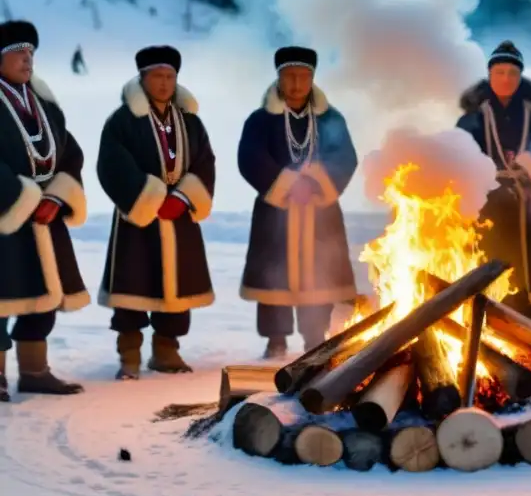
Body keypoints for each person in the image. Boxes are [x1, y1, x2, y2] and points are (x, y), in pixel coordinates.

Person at [96, 45, 216, 379]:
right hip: (139, 218)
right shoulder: (123, 121)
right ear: (143, 78)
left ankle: (166, 352)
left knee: (178, 288)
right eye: (156, 76)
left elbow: (205, 162)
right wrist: (148, 198)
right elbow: (112, 164)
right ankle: (129, 357)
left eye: (170, 76)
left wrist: (183, 197)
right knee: (133, 284)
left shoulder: (190, 122)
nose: (164, 83)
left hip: (179, 217)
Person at [238, 46, 359, 359]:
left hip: (320, 211)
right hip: (275, 209)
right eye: (289, 76)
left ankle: (315, 337)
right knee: (272, 274)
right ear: (279, 77)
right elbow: (250, 157)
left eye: (303, 76)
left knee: (321, 270)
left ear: (312, 78)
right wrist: (287, 185)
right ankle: (275, 339)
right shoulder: (261, 120)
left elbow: (345, 157)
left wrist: (315, 183)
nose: (296, 83)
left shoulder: (330, 119)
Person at [0, 20, 90, 400]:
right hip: (7, 214)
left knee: (43, 296)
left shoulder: (43, 102)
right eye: (19, 52)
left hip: (45, 215)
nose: (27, 59)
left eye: (31, 52)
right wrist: (24, 199)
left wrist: (57, 197)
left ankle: (35, 370)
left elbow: (69, 152)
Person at [456, 40, 531, 330]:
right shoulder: (472, 118)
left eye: (512, 73)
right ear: (489, 75)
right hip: (487, 209)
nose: (506, 79)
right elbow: (458, 161)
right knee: (490, 276)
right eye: (500, 72)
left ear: (520, 78)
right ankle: (489, 340)